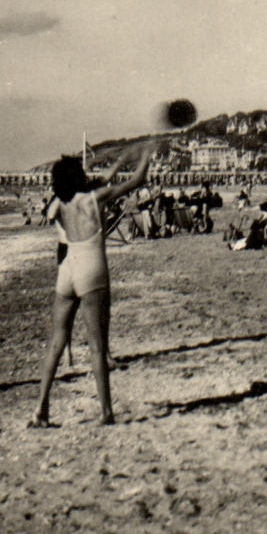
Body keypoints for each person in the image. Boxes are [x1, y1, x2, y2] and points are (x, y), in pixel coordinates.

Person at [30, 141, 159, 428]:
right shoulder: (94, 198)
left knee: (56, 343)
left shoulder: (60, 203)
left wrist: (119, 160)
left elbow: (93, 181)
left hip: (67, 269)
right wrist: (145, 156)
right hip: (91, 268)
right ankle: (105, 412)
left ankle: (40, 409)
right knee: (97, 347)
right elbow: (137, 181)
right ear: (79, 177)